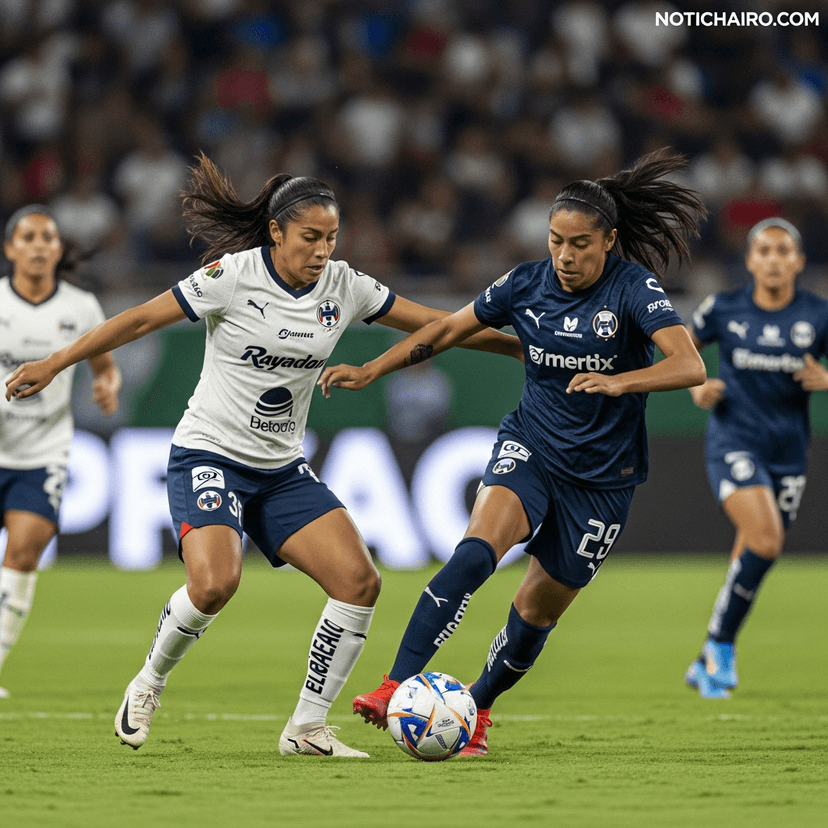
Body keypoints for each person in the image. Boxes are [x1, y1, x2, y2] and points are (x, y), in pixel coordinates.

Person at [4, 155, 522, 756]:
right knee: (216, 582)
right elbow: (143, 317)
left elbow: (435, 323)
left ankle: (305, 728)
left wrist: (519, 349)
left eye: (331, 237)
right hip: (209, 454)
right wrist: (56, 362)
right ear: (276, 232)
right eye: (310, 237)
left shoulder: (345, 286)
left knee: (358, 581)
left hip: (279, 470)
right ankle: (149, 682)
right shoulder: (232, 276)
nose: (323, 250)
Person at [318, 148, 708, 756]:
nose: (566, 256)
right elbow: (448, 329)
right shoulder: (527, 282)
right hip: (533, 446)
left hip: (604, 479)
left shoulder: (634, 289)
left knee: (535, 612)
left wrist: (620, 381)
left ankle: (476, 707)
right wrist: (372, 369)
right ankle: (393, 684)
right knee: (476, 554)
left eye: (580, 244)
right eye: (556, 241)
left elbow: (689, 365)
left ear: (608, 240)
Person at [684, 218, 828, 699]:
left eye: (782, 250)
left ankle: (708, 652)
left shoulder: (818, 315)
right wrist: (696, 385)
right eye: (762, 250)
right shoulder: (723, 308)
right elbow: (678, 350)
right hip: (733, 441)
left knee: (752, 553)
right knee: (767, 541)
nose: (772, 258)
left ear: (798, 261)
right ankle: (723, 645)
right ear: (749, 260)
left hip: (789, 451)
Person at [0, 205, 121, 699]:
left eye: (47, 236)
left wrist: (107, 386)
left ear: (58, 249)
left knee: (24, 552)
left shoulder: (81, 308)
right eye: (27, 236)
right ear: (10, 249)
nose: (38, 244)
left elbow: (104, 367)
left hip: (42, 453)